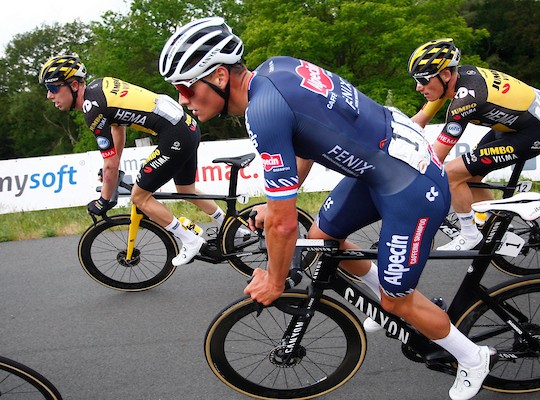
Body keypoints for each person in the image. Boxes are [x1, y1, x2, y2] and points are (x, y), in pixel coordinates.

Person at [159, 17, 496, 399]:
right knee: (322, 239)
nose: (184, 101)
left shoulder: (262, 111)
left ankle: (472, 357)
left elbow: (285, 227)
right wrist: (276, 204)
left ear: (219, 76)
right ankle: (383, 304)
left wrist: (274, 278)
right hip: (383, 161)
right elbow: (306, 140)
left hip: (410, 184)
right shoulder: (276, 67)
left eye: (186, 88)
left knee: (396, 297)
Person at [39, 54, 229, 266]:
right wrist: (115, 164)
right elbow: (117, 128)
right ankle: (231, 227)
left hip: (174, 135)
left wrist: (103, 199)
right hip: (187, 128)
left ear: (74, 85)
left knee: (140, 197)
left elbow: (109, 163)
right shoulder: (100, 86)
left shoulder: (92, 109)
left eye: (53, 88)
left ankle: (190, 240)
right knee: (186, 189)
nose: (49, 95)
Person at [408, 38, 540, 251]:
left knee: (449, 174)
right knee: (471, 176)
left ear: (445, 75)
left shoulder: (466, 99)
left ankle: (469, 233)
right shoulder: (449, 83)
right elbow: (417, 122)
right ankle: (501, 228)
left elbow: (437, 157)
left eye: (423, 80)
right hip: (513, 127)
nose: (419, 87)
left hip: (531, 134)